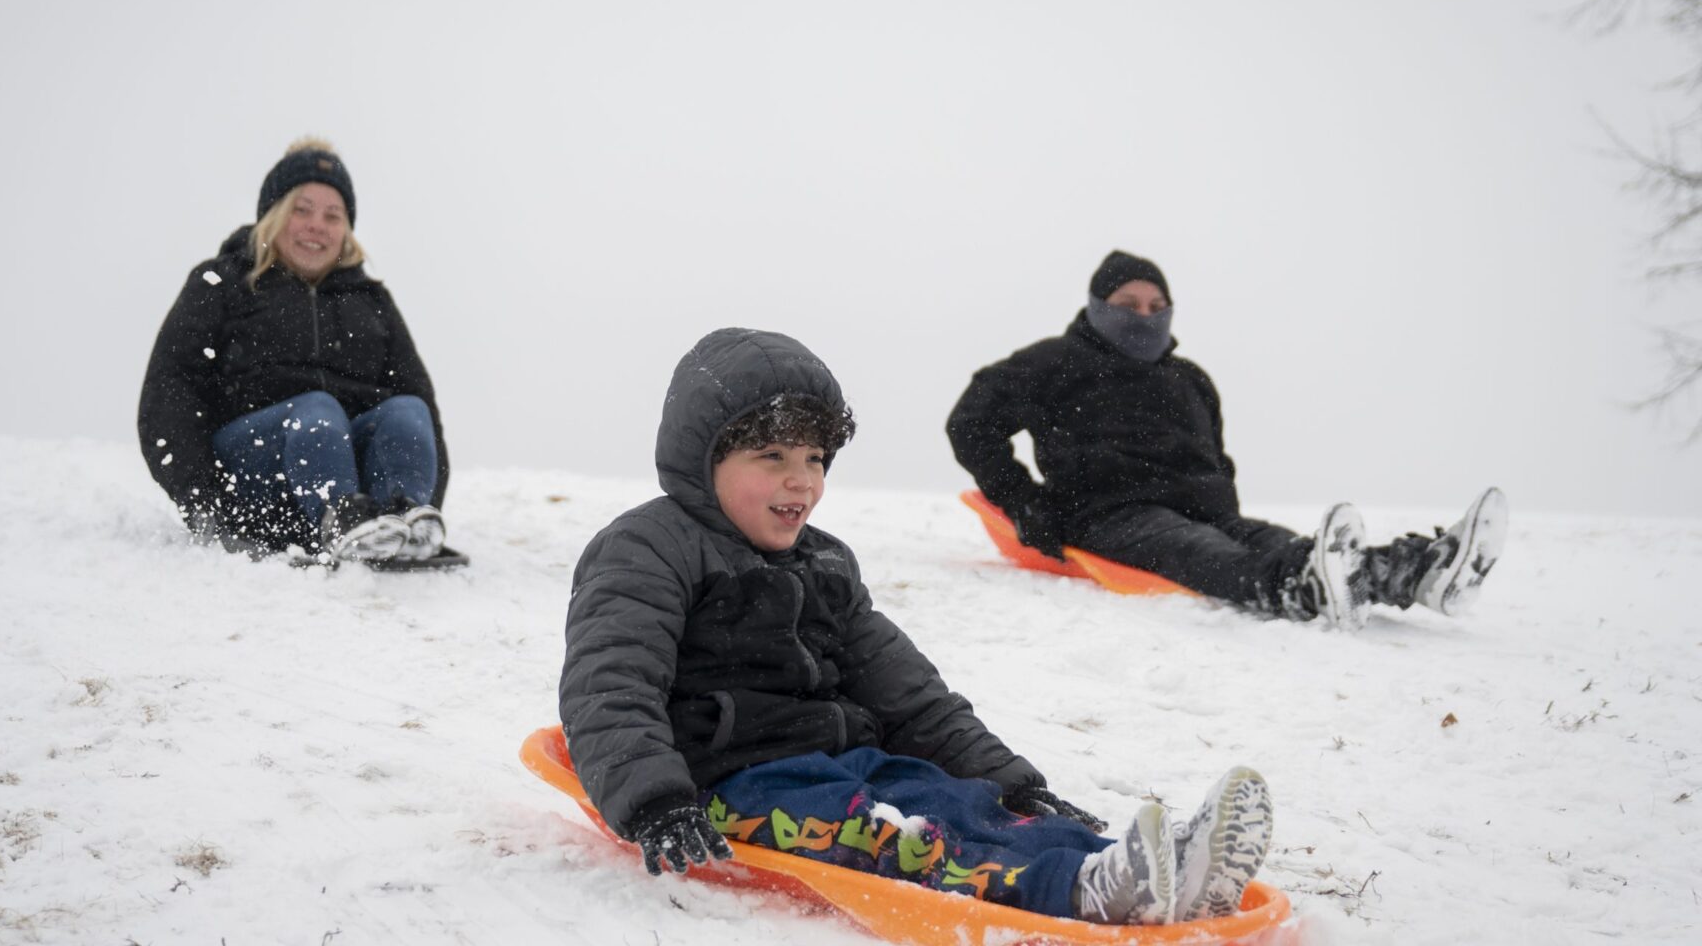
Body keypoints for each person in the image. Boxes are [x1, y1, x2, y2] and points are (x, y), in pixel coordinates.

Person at [558, 327, 1272, 925]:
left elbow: (909, 694)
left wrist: (1008, 781)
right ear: (701, 461)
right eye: (771, 457)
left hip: (846, 762)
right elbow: (611, 680)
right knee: (909, 840)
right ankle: (1082, 892)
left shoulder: (826, 563)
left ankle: (1150, 865)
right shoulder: (650, 547)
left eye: (814, 458)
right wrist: (656, 799)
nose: (801, 481)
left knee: (960, 804)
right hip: (731, 785)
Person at [947, 249, 1507, 629]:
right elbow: (971, 421)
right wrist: (1024, 500)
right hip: (1112, 511)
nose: (1144, 315)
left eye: (1155, 306)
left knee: (1283, 542)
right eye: (1127, 305)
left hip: (1205, 508)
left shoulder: (1187, 378)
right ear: (1097, 308)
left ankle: (1417, 572)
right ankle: (1300, 592)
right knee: (1210, 555)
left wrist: (1220, 505)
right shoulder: (1056, 362)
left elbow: (1217, 458)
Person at [138, 138, 450, 563]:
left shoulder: (371, 301)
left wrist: (430, 493)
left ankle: (403, 521)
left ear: (346, 230)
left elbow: (422, 404)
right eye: (301, 210)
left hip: (354, 485)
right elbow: (170, 391)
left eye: (332, 215)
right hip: (254, 483)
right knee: (317, 413)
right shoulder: (222, 284)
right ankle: (340, 520)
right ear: (275, 215)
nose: (316, 225)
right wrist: (203, 503)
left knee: (406, 411)